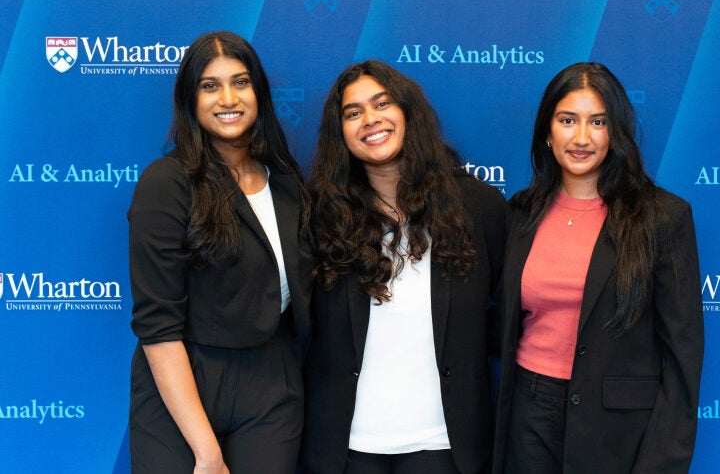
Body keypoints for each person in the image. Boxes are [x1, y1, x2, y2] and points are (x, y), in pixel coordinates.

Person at [492, 62, 704, 474]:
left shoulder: (663, 217)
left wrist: (662, 463)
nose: (582, 138)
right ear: (547, 132)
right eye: (568, 120)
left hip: (617, 427)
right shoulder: (520, 213)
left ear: (616, 133)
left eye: (598, 122)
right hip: (528, 411)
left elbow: (683, 358)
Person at [301, 60, 506, 474]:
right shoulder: (319, 217)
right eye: (353, 112)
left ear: (408, 112)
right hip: (346, 446)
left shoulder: (479, 208)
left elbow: (506, 315)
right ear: (340, 133)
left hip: (444, 443)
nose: (370, 119)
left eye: (382, 103)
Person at [127, 30, 311, 474]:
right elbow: (158, 327)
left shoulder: (287, 183)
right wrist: (207, 454)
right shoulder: (166, 182)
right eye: (210, 85)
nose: (228, 97)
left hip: (272, 381)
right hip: (184, 382)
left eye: (240, 82)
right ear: (190, 98)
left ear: (259, 93)